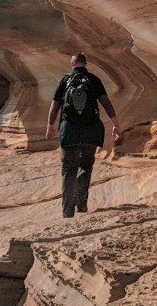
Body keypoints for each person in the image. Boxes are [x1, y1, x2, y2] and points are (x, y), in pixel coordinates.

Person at [46, 53, 122, 218]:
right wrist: (116, 124)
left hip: (69, 130)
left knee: (68, 170)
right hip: (91, 130)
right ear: (85, 64)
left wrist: (50, 126)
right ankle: (81, 206)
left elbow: (54, 106)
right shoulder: (93, 80)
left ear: (72, 63)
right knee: (86, 167)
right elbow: (106, 103)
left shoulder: (65, 80)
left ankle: (67, 212)